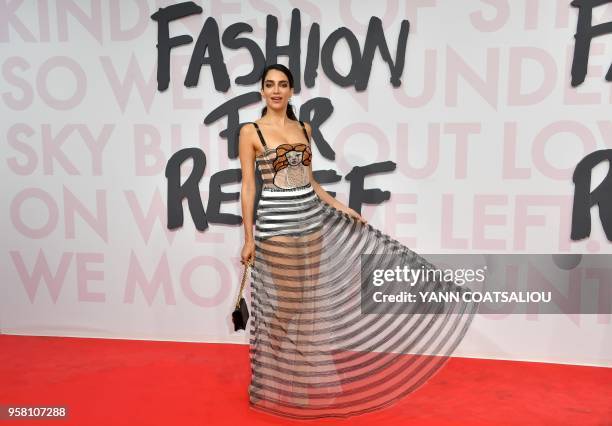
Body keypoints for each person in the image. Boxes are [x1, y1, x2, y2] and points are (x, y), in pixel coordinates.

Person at [238, 64, 478, 419]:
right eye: (269, 85)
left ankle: (296, 379)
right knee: (287, 304)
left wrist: (339, 206)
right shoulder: (251, 131)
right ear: (262, 91)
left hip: (311, 222)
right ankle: (272, 359)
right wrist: (248, 237)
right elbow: (249, 185)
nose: (276, 90)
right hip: (276, 225)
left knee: (306, 306)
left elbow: (311, 182)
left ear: (291, 91)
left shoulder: (303, 128)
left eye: (283, 85)